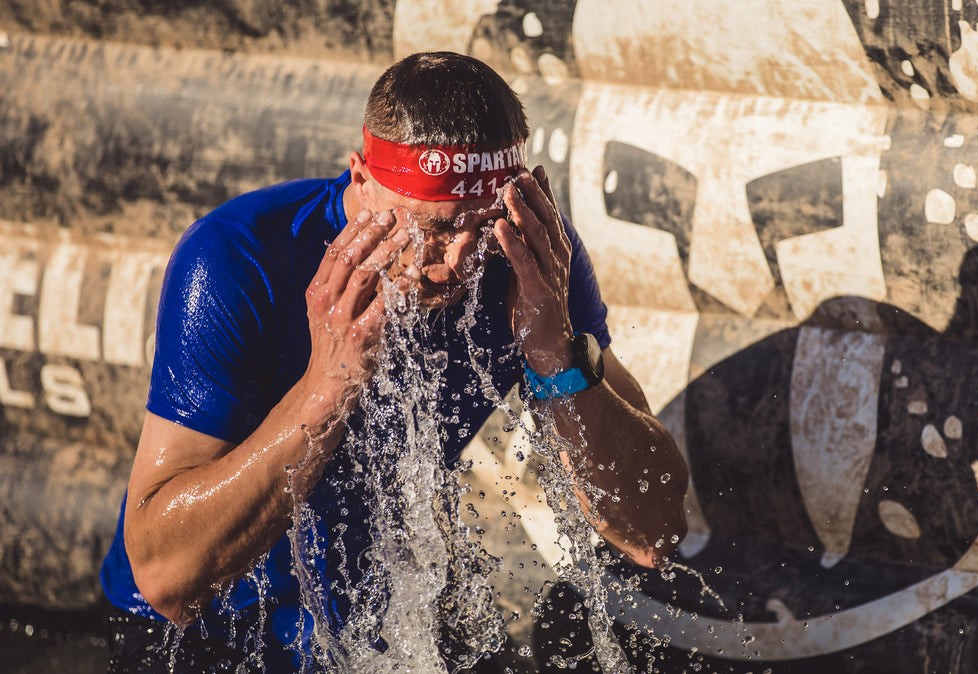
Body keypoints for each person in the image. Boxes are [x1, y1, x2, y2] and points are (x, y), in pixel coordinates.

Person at [99, 51, 688, 672]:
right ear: (359, 182)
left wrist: (555, 353)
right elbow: (166, 577)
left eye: (481, 227)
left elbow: (653, 533)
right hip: (203, 636)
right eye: (428, 229)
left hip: (375, 625)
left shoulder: (529, 257)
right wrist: (329, 384)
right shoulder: (241, 259)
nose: (456, 262)